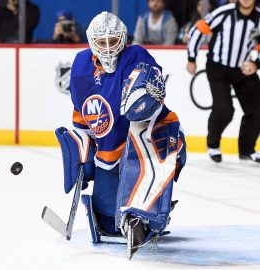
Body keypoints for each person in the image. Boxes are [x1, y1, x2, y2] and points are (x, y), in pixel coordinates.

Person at [56, 12, 186, 258]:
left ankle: (150, 211)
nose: (107, 48)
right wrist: (83, 143)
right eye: (101, 42)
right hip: (109, 149)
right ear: (91, 41)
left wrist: (149, 92)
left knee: (144, 141)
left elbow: (151, 98)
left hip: (148, 135)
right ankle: (136, 210)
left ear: (123, 39)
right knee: (110, 225)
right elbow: (82, 112)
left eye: (113, 40)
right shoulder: (81, 65)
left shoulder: (136, 56)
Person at [186, 0, 260, 163]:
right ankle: (213, 144)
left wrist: (256, 63)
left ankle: (247, 150)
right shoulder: (224, 13)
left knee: (257, 109)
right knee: (224, 110)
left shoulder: (259, 18)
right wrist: (191, 58)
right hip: (218, 68)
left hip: (243, 69)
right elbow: (198, 31)